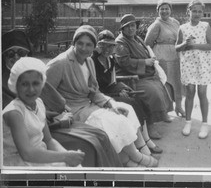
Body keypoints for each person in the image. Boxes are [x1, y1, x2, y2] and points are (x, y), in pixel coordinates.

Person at [2, 29, 122, 167]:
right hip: (28, 143)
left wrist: (62, 113)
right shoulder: (12, 104)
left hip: (50, 124)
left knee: (100, 135)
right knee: (89, 143)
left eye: (21, 53)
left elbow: (50, 105)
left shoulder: (33, 75)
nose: (16, 57)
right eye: (11, 53)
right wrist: (57, 121)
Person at [44, 25, 158, 167]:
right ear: (74, 43)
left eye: (89, 45)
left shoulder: (89, 61)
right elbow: (44, 92)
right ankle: (135, 158)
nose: (84, 48)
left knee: (124, 109)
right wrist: (59, 111)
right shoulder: (60, 63)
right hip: (74, 110)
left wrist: (109, 104)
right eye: (80, 43)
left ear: (94, 47)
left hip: (89, 104)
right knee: (114, 122)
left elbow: (94, 91)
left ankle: (136, 153)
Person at [2, 57, 85, 167]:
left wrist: (68, 155)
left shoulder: (39, 103)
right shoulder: (14, 113)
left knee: (75, 170)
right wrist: (65, 157)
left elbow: (49, 140)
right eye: (24, 84)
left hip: (40, 156)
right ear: (16, 86)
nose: (31, 89)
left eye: (36, 83)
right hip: (17, 162)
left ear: (43, 84)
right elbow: (26, 154)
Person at [91, 29, 163, 154]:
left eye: (110, 45)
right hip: (101, 97)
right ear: (99, 46)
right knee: (131, 104)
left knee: (140, 101)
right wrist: (117, 94)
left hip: (109, 91)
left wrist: (121, 88)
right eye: (104, 45)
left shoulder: (110, 60)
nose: (107, 49)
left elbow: (112, 82)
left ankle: (147, 139)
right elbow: (95, 89)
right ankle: (142, 145)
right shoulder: (93, 61)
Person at [115, 14, 173, 140]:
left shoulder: (137, 38)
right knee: (152, 92)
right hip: (131, 77)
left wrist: (151, 60)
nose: (131, 28)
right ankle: (150, 126)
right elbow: (124, 63)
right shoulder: (120, 42)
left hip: (145, 74)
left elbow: (146, 52)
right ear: (122, 29)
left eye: (133, 25)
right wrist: (144, 62)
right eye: (127, 27)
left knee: (165, 84)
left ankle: (163, 114)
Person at [175, 0, 211, 138]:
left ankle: (204, 124)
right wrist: (184, 44)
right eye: (194, 11)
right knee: (190, 92)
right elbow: (177, 47)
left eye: (200, 11)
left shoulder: (205, 26)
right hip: (188, 63)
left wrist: (193, 46)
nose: (197, 14)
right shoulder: (183, 28)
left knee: (202, 92)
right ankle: (188, 122)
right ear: (189, 12)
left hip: (203, 63)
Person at [144, 0, 185, 117]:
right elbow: (147, 43)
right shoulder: (156, 24)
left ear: (171, 10)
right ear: (158, 10)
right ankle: (165, 111)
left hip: (175, 55)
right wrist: (153, 58)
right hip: (162, 57)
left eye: (167, 8)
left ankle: (178, 107)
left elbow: (180, 38)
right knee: (165, 82)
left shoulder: (176, 22)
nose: (164, 11)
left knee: (177, 83)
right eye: (162, 9)